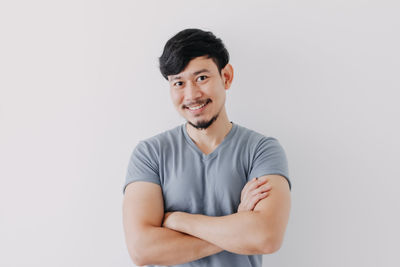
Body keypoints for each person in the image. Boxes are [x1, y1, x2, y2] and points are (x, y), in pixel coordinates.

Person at [122, 28, 291, 267]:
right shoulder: (150, 154)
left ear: (227, 77)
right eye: (179, 83)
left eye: (201, 78)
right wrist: (239, 224)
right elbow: (142, 250)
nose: (191, 95)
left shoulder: (262, 150)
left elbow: (266, 237)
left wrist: (180, 221)